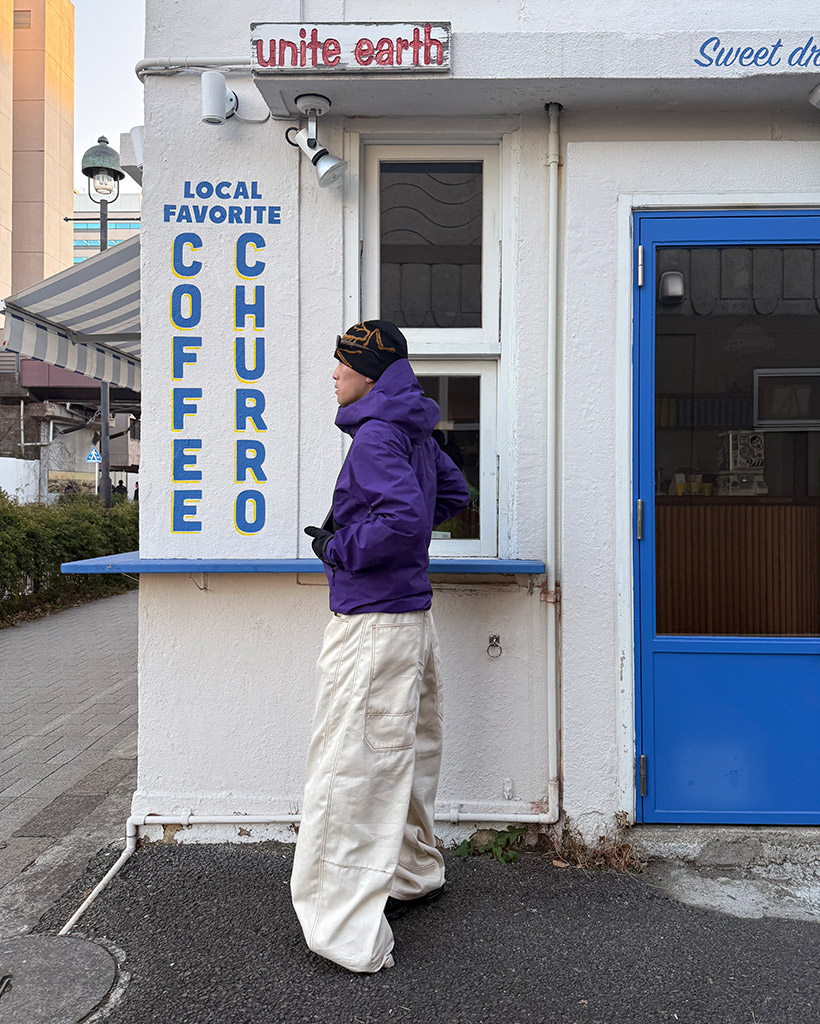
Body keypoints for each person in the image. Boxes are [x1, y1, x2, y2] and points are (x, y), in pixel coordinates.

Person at [291, 320, 470, 974]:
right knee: (407, 755)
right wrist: (396, 539)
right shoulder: (410, 429)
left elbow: (401, 521)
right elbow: (452, 495)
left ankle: (343, 931)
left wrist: (338, 547)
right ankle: (414, 873)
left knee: (352, 770)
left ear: (368, 374)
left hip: (371, 624)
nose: (334, 373)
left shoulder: (374, 436)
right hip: (410, 620)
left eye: (343, 363)